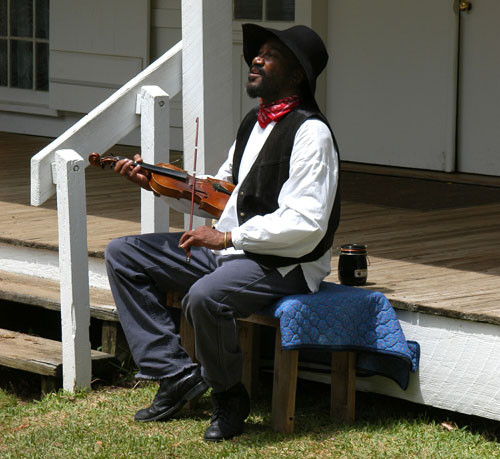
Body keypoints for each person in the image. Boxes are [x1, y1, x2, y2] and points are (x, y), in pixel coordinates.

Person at [105, 23, 341, 442]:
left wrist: (230, 238)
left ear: (297, 74)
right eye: (258, 53)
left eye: (271, 54)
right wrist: (155, 182)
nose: (256, 58)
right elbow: (217, 195)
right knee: (123, 254)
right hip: (232, 251)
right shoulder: (253, 124)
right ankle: (175, 374)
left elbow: (306, 224)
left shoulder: (312, 133)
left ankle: (230, 396)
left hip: (283, 263)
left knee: (205, 298)